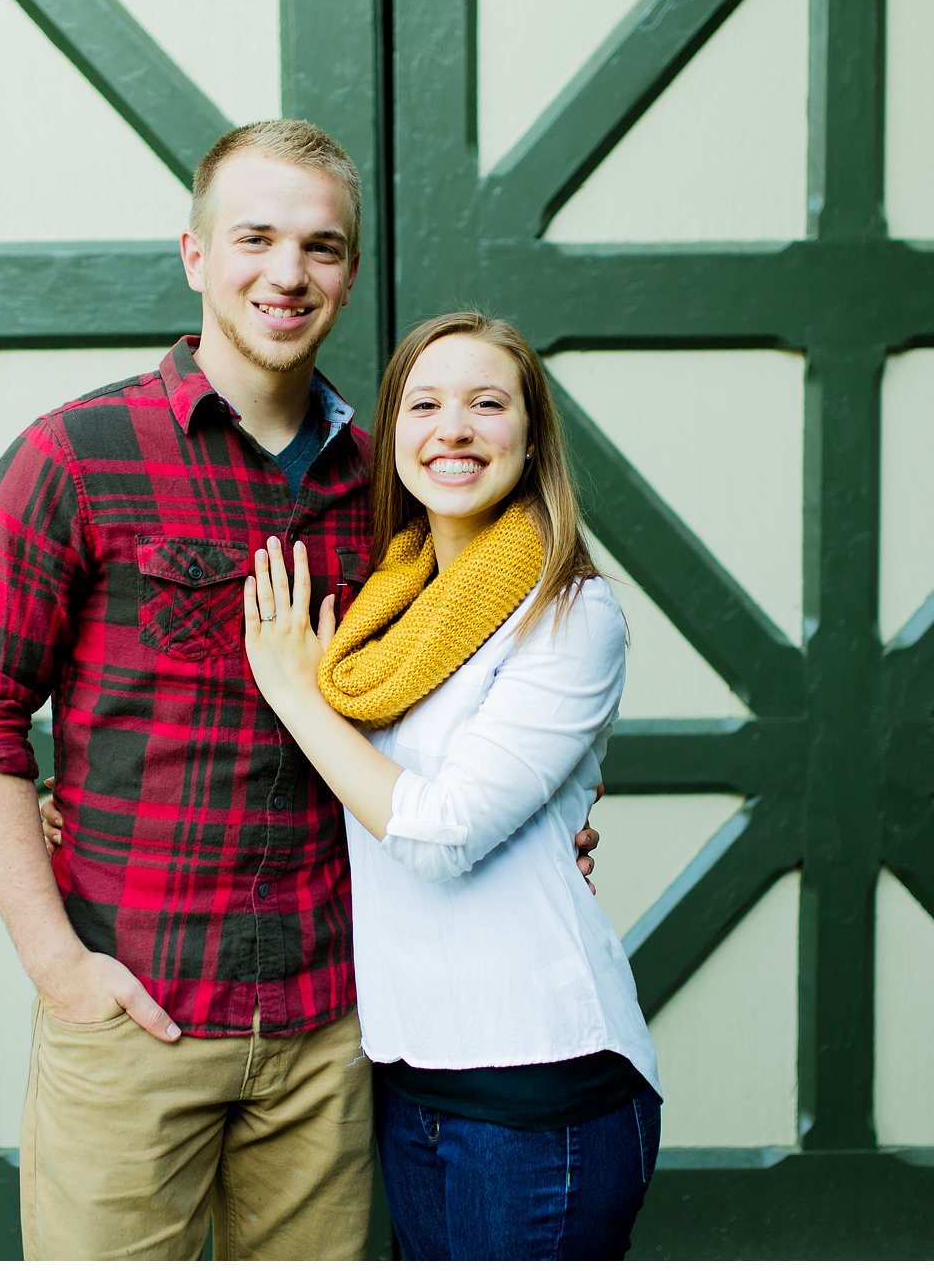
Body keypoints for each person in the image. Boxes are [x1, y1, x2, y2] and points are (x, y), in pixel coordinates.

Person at [0, 121, 599, 1260]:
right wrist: (56, 963)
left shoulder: (396, 479)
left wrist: (546, 825)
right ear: (194, 254)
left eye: (321, 247)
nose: (286, 274)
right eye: (255, 238)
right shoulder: (78, 454)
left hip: (333, 1026)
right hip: (138, 1011)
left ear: (345, 272)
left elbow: (488, 682)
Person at [239, 311, 660, 1260]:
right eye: (424, 405)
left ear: (531, 434)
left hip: (539, 1092)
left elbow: (439, 832)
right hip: (412, 1082)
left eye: (486, 404)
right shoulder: (390, 611)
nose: (453, 429)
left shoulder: (572, 611)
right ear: (395, 441)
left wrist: (298, 696)